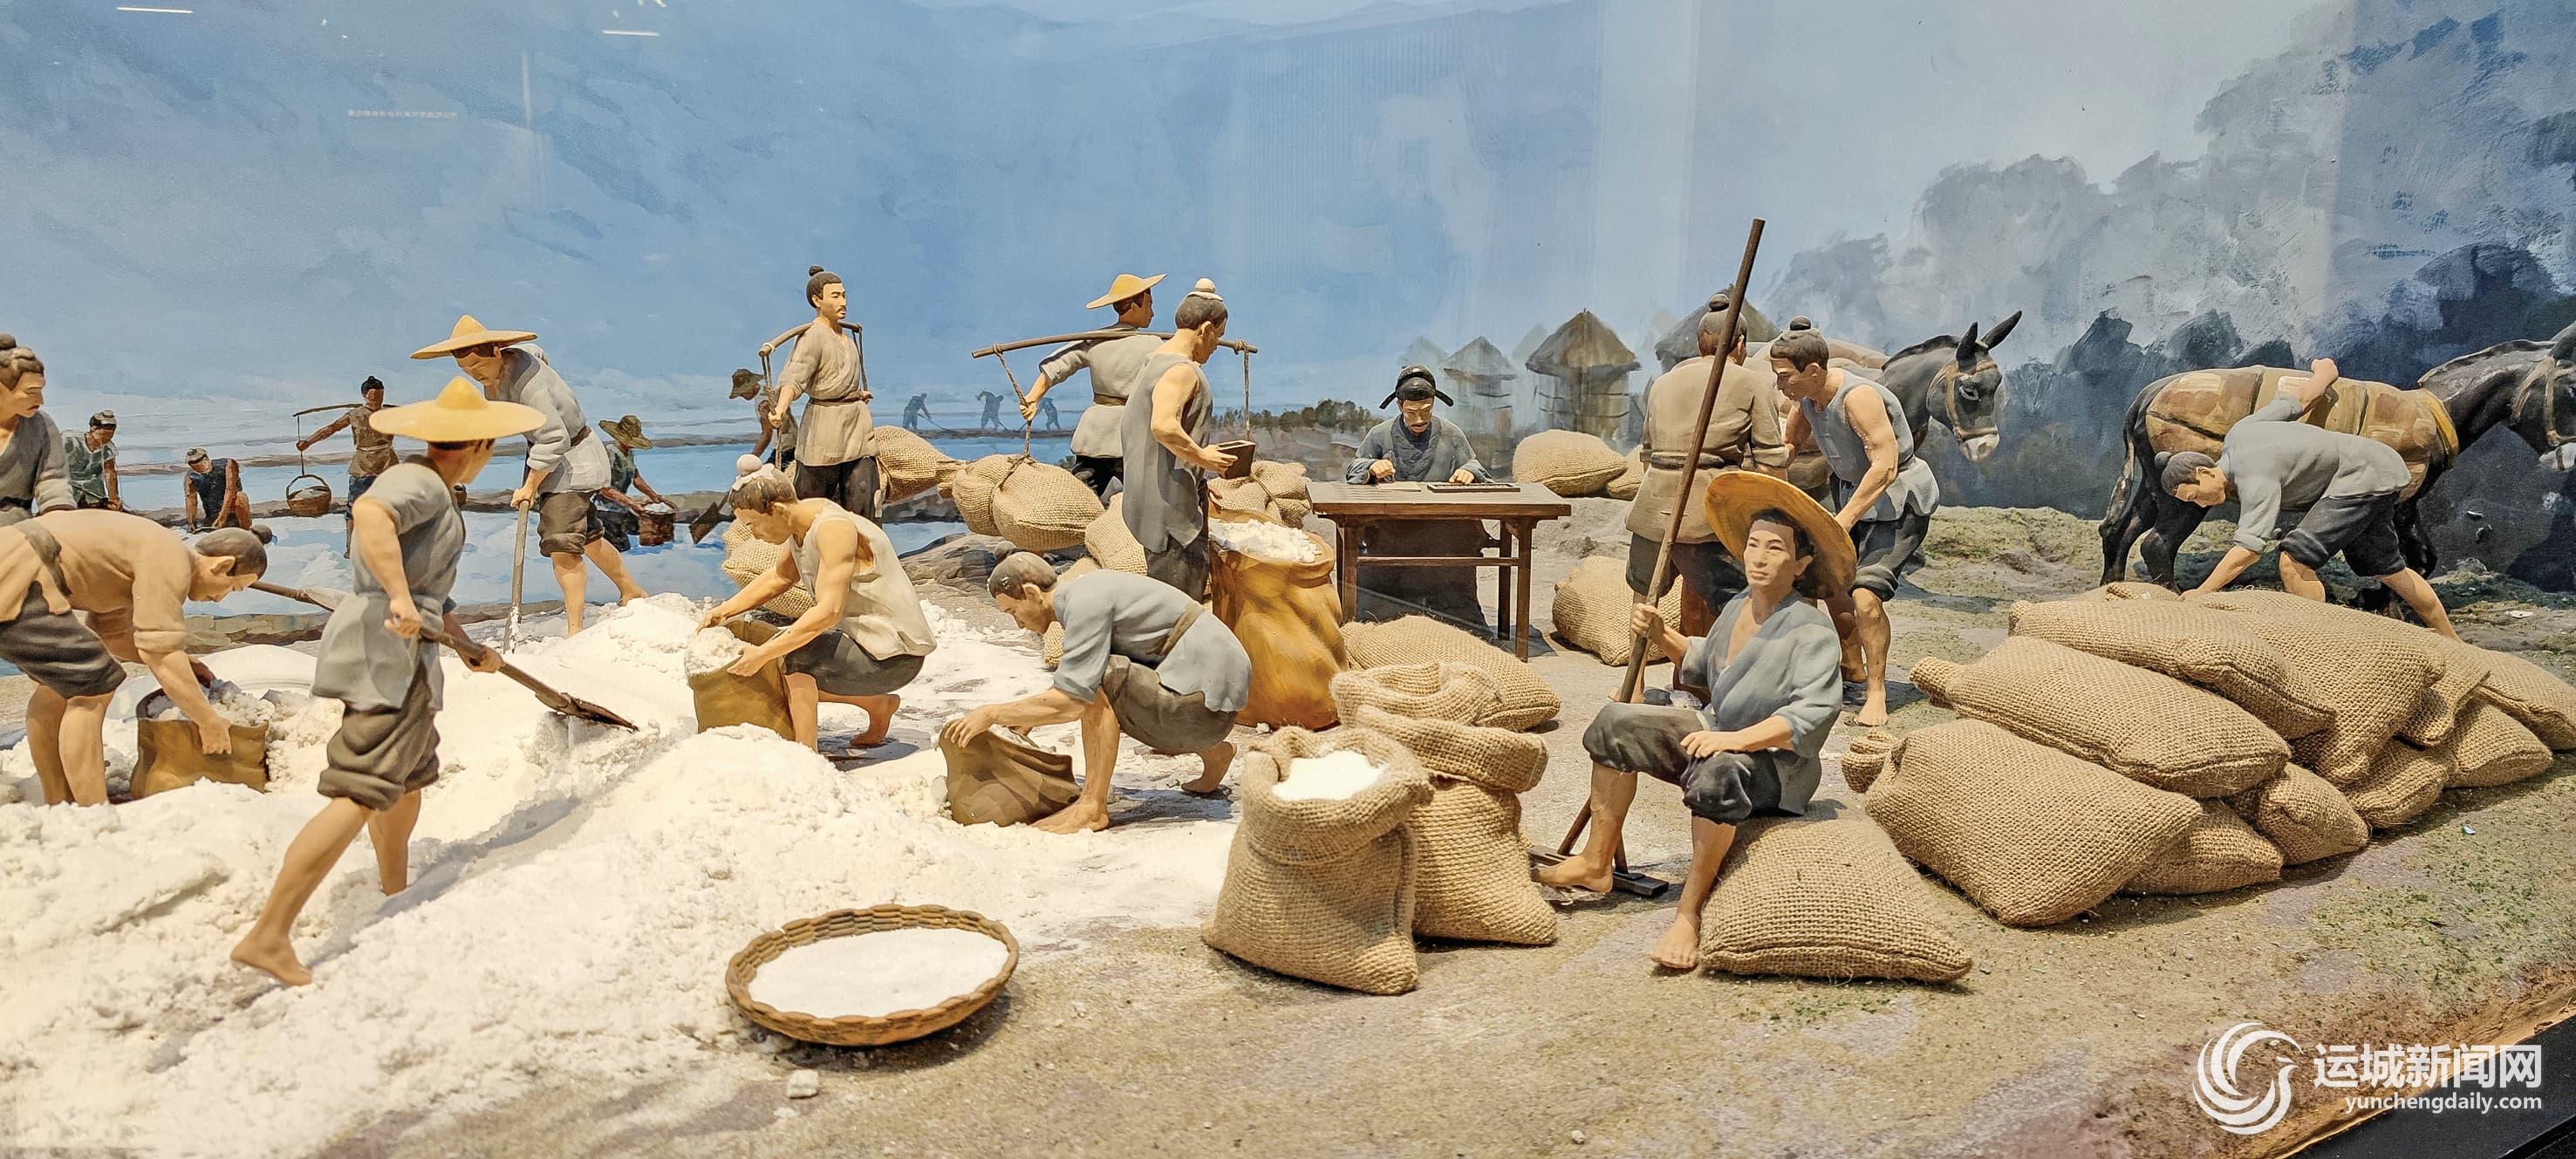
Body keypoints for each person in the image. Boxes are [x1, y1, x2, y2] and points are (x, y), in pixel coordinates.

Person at [230, 378, 523, 986]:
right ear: (479, 445)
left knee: (407, 776)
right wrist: (399, 597)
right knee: (361, 788)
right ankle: (268, 934)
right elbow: (368, 513)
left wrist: (465, 645)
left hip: (409, 651)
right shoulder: (419, 481)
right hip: (386, 652)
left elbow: (428, 593)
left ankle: (396, 889)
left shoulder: (437, 490)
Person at [1538, 474, 1847, 970]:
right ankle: (1596, 863)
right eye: (1753, 545)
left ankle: (1688, 914)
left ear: (1802, 564)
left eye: (1776, 549)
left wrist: (1736, 740)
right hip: (1716, 731)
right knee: (1617, 723)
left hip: (1775, 766)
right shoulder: (1738, 606)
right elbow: (1702, 662)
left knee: (1718, 769)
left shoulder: (1811, 630)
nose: (1759, 558)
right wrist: (1662, 634)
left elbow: (1811, 714)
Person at [945, 553, 1247, 833]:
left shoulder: (1084, 605)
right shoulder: (1085, 592)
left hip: (1205, 708)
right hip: (1208, 694)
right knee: (1098, 677)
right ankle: (1216, 753)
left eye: (1013, 612)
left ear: (1032, 594)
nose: (1019, 625)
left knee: (1101, 683)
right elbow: (1077, 677)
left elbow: (1073, 699)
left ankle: (1092, 806)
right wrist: (1027, 718)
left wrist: (993, 713)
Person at [2163, 358, 2460, 638]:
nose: (2200, 504)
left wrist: (2204, 591)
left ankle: (2320, 640)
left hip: (2360, 478)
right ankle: (2451, 640)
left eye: (2194, 496)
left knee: (2294, 560)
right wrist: (2325, 373)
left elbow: (2249, 549)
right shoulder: (2239, 434)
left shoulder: (2252, 475)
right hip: (2378, 469)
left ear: (2204, 472)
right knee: (2389, 569)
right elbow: (2302, 399)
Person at [0, 512, 267, 806]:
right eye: (232, 588)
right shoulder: (171, 561)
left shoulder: (147, 556)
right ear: (221, 566)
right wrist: (208, 721)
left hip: (19, 570)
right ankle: (93, 809)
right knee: (93, 686)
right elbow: (161, 653)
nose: (220, 598)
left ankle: (60, 799)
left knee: (56, 688)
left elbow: (115, 636)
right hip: (20, 575)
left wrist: (187, 664)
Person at [413, 314, 647, 635]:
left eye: (478, 366)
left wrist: (529, 486)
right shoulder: (507, 366)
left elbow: (554, 438)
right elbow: (537, 354)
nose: (475, 374)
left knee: (562, 545)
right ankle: (631, 590)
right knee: (590, 537)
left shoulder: (529, 385)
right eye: (466, 370)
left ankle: (575, 630)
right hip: (552, 459)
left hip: (569, 461)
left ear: (497, 351)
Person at [698, 465, 937, 756]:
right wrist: (725, 610)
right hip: (864, 641)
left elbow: (829, 611)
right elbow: (780, 578)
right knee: (778, 653)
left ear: (778, 510)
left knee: (794, 659)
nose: (755, 535)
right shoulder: (802, 524)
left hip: (894, 654)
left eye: (754, 525)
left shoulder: (833, 529)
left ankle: (806, 756)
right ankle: (878, 704)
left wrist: (764, 654)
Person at [1773, 327, 1936, 727]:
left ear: (1813, 370)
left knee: (1864, 597)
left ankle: (1876, 692)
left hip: (1897, 504)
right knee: (1818, 580)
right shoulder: (1808, 400)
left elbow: (1885, 467)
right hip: (1852, 498)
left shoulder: (1859, 398)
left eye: (1785, 376)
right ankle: (1845, 670)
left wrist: (1841, 522)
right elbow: (1789, 447)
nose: (1780, 385)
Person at [1628, 295, 1792, 641]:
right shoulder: (1752, 383)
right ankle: (1728, 670)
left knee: (1644, 600)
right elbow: (1771, 462)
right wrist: (1782, 520)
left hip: (1653, 507)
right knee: (1737, 601)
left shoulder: (1663, 383)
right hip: (1709, 514)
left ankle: (1637, 672)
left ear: (1698, 343)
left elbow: (1647, 454)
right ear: (1741, 344)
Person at [1344, 364, 1493, 627]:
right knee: (1377, 605)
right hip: (1390, 530)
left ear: (1433, 404)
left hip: (1441, 530)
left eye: (1426, 411)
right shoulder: (1380, 434)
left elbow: (1475, 465)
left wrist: (1469, 472)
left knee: (1454, 572)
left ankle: (1458, 625)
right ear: (1399, 406)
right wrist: (1371, 466)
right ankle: (1380, 624)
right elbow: (1353, 468)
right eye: (1411, 412)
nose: (1418, 420)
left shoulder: (1451, 434)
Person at [1119, 280, 1240, 599]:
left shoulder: (1154, 360)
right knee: (1177, 606)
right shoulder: (1181, 370)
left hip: (1155, 500)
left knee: (1166, 600)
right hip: (1169, 515)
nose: (1217, 346)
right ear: (1205, 330)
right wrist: (1203, 457)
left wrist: (1194, 479)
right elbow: (1163, 426)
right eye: (1218, 336)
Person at [1020, 272, 1166, 497]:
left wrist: (1033, 396)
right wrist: (1032, 398)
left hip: (1100, 432)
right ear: (1134, 304)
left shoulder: (1096, 340)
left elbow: (1057, 365)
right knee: (1138, 495)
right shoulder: (1154, 345)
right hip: (1134, 432)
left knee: (1086, 492)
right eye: (1149, 305)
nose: (1152, 313)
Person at [768, 266, 879, 518]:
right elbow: (795, 376)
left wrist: (856, 394)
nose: (843, 302)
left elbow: (837, 376)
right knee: (813, 502)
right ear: (817, 300)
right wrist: (781, 408)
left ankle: (864, 541)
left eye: (844, 295)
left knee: (863, 495)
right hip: (825, 426)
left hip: (857, 425)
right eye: (835, 296)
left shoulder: (845, 338)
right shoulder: (814, 336)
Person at [0, 335, 72, 528]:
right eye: (31, 392)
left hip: (18, 527)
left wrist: (58, 514)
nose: (40, 400)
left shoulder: (41, 425)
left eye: (41, 390)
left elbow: (53, 480)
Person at [591, 415, 674, 551]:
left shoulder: (628, 453)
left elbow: (636, 478)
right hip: (605, 510)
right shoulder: (610, 453)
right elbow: (604, 489)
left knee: (642, 530)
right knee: (622, 547)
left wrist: (653, 496)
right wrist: (632, 503)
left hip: (621, 507)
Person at [182, 448, 256, 533]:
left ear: (206, 458)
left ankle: (246, 531)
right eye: (196, 468)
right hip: (213, 518)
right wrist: (191, 522)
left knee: (240, 496)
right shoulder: (191, 476)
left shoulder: (227, 464)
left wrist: (222, 518)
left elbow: (230, 491)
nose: (201, 470)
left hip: (233, 513)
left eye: (201, 465)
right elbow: (191, 499)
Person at [738, 368, 797, 469]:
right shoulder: (769, 392)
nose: (741, 395)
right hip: (792, 444)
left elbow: (767, 434)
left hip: (785, 448)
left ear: (751, 386)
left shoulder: (763, 403)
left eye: (742, 392)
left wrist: (751, 459)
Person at [65, 410, 121, 511]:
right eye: (104, 435)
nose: (107, 439)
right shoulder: (69, 441)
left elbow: (110, 473)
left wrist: (114, 499)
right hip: (68, 489)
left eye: (110, 436)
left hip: (94, 493)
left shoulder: (108, 449)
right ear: (93, 429)